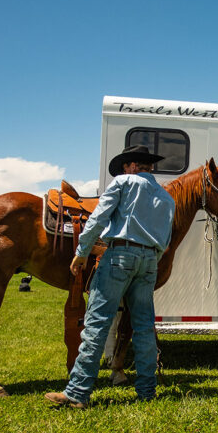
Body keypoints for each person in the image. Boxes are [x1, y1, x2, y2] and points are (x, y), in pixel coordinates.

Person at [45, 145, 175, 408]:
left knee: (97, 322)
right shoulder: (166, 198)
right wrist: (149, 258)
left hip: (119, 256)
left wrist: (82, 252)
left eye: (124, 167)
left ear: (132, 166)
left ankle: (77, 392)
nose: (123, 172)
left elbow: (97, 219)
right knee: (143, 326)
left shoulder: (123, 183)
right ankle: (147, 391)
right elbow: (166, 241)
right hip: (150, 261)